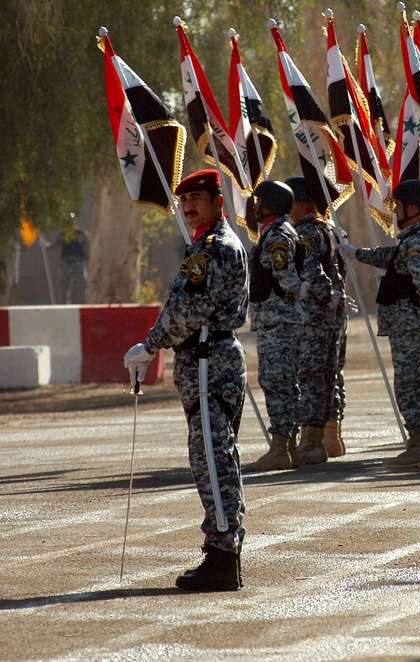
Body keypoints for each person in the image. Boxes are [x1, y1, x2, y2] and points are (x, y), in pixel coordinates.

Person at [123, 169, 248, 591]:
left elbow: (187, 311)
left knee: (212, 461)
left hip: (210, 359)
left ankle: (222, 557)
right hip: (206, 358)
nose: (190, 205)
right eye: (185, 199)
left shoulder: (212, 249)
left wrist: (150, 344)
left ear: (217, 201)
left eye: (198, 197)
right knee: (216, 458)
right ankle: (223, 550)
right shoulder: (205, 245)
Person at [339, 179, 420, 468]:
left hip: (412, 323)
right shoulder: (419, 237)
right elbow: (390, 256)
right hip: (414, 323)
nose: (395, 210)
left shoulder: (418, 240)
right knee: (418, 383)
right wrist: (356, 252)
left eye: (398, 205)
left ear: (412, 207)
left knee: (411, 385)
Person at [241, 180, 307, 472]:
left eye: (260, 202)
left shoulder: (277, 235)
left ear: (272, 205)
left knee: (277, 382)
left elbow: (286, 276)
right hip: (279, 319)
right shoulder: (278, 231)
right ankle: (287, 446)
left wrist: (299, 293)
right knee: (283, 383)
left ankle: (281, 448)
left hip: (278, 320)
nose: (255, 207)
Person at [284, 176, 343, 465]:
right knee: (324, 379)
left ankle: (309, 444)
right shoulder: (327, 229)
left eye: (292, 200)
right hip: (329, 318)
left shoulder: (305, 233)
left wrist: (322, 293)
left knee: (309, 379)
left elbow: (311, 270)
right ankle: (317, 443)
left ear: (304, 201)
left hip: (312, 316)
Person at [58, 215, 89, 304]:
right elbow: (53, 245)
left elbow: (87, 247)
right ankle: (63, 305)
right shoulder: (63, 234)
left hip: (78, 263)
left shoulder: (81, 234)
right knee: (62, 286)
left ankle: (79, 303)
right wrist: (44, 244)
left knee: (81, 286)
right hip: (66, 263)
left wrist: (87, 257)